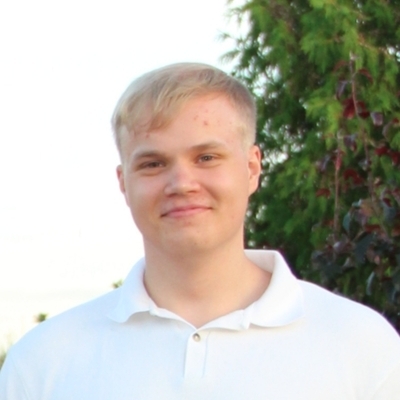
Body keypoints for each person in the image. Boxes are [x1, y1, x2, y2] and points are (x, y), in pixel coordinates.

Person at [1, 63, 400, 400]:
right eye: (153, 164)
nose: (181, 183)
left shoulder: (361, 346)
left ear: (252, 168)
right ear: (123, 182)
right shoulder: (42, 364)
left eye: (206, 157)